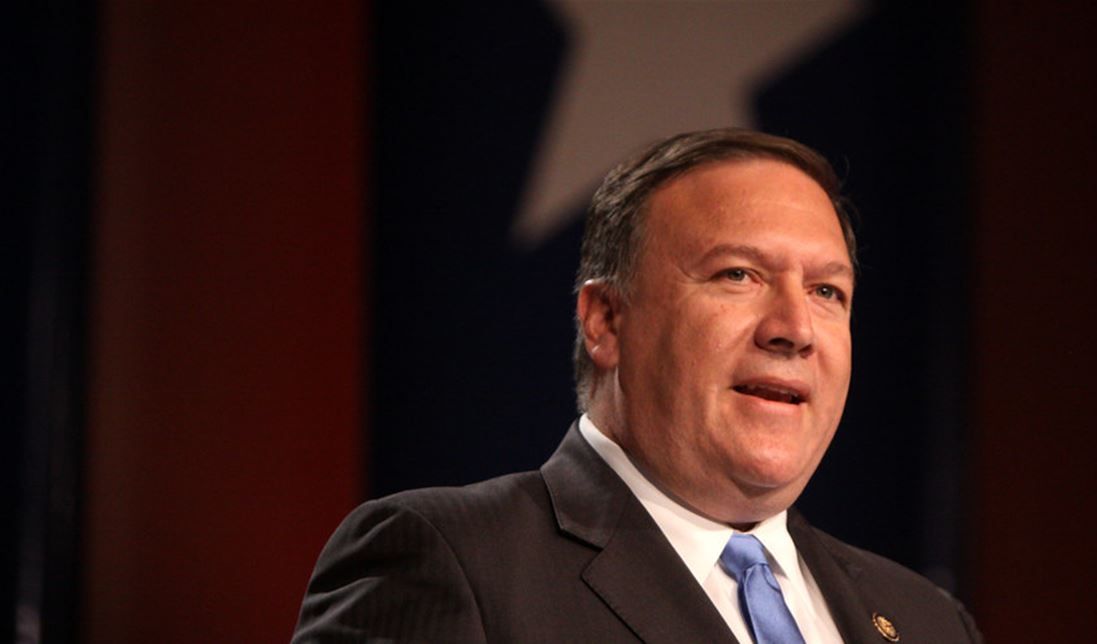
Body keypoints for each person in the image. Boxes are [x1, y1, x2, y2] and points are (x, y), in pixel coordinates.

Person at [292, 129, 982, 643]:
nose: (795, 328)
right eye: (738, 275)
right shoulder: (451, 564)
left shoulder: (929, 621)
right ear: (606, 320)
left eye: (827, 290)